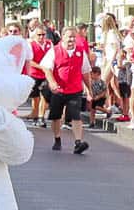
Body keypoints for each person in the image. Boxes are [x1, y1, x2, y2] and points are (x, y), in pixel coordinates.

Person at [39, 26, 93, 154]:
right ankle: (57, 139)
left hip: (75, 90)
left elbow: (85, 72)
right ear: (63, 37)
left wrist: (89, 89)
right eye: (69, 36)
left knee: (76, 115)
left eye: (74, 37)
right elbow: (47, 68)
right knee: (56, 116)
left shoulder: (80, 52)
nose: (72, 39)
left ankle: (78, 142)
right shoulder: (54, 51)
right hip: (59, 90)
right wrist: (52, 82)